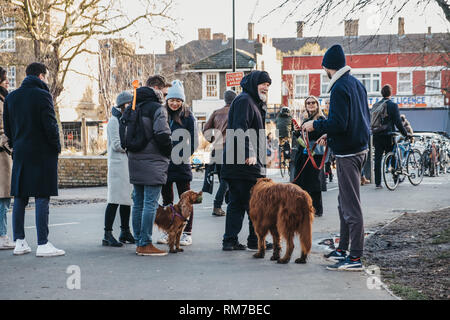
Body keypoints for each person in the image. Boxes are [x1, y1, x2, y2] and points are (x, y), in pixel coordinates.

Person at [302, 45, 370, 270]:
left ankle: (355, 256)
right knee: (344, 203)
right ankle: (344, 248)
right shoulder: (357, 84)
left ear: (327, 67)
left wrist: (316, 125)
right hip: (358, 148)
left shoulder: (339, 87)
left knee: (350, 205)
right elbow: (356, 120)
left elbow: (339, 122)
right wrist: (329, 136)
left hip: (348, 153)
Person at [3, 62, 64, 257]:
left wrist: (15, 145)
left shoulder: (11, 97)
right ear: (40, 76)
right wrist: (56, 147)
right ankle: (43, 244)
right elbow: (50, 125)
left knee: (20, 196)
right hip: (42, 152)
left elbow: (8, 127)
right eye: (45, 76)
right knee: (41, 196)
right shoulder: (43, 95)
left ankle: (19, 242)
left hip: (20, 151)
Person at [221, 70, 273, 252]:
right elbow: (239, 128)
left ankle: (232, 240)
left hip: (242, 163)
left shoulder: (252, 101)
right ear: (254, 84)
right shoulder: (245, 101)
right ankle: (252, 240)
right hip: (243, 163)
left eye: (268, 85)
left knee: (238, 202)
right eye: (263, 84)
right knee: (252, 202)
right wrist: (249, 152)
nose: (266, 87)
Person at [127, 76, 173, 256]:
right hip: (153, 160)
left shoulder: (133, 107)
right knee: (150, 203)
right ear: (156, 88)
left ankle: (139, 239)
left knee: (138, 202)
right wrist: (168, 150)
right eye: (164, 91)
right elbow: (162, 134)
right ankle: (145, 243)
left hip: (134, 159)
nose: (165, 95)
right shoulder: (157, 109)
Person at [158, 80, 198, 246]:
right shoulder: (161, 114)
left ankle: (187, 233)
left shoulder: (189, 117)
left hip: (181, 165)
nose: (174, 103)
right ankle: (169, 231)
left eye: (178, 100)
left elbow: (195, 141)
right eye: (172, 100)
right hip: (164, 164)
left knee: (186, 201)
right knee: (167, 200)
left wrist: (183, 155)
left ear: (182, 101)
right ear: (167, 100)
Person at [102, 91, 135, 247]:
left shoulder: (125, 120)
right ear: (123, 105)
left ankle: (125, 231)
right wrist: (133, 145)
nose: (131, 107)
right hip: (117, 166)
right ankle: (107, 234)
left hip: (126, 165)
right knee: (114, 201)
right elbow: (117, 144)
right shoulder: (114, 121)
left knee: (126, 201)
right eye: (129, 104)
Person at [203, 90, 236, 216]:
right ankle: (217, 206)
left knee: (223, 177)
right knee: (226, 179)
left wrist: (212, 140)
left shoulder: (216, 112)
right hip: (229, 149)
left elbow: (206, 129)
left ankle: (227, 202)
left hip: (216, 149)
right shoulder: (235, 112)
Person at [292, 96, 327, 217]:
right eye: (308, 103)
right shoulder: (306, 119)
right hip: (304, 155)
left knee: (314, 183)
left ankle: (317, 209)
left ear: (317, 105)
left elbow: (321, 135)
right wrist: (297, 132)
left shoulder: (321, 119)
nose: (311, 105)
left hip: (315, 155)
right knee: (304, 183)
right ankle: (306, 208)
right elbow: (302, 138)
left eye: (313, 103)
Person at [372, 85, 409, 189]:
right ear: (390, 93)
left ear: (381, 93)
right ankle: (395, 178)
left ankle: (378, 183)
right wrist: (405, 133)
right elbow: (398, 122)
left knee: (378, 159)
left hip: (377, 135)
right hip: (389, 135)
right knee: (393, 155)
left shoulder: (376, 105)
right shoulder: (393, 105)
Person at [0, 67, 14, 249]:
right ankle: (2, 236)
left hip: (5, 153)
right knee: (3, 197)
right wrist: (8, 143)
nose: (8, 81)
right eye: (5, 79)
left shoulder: (5, 99)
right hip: (2, 154)